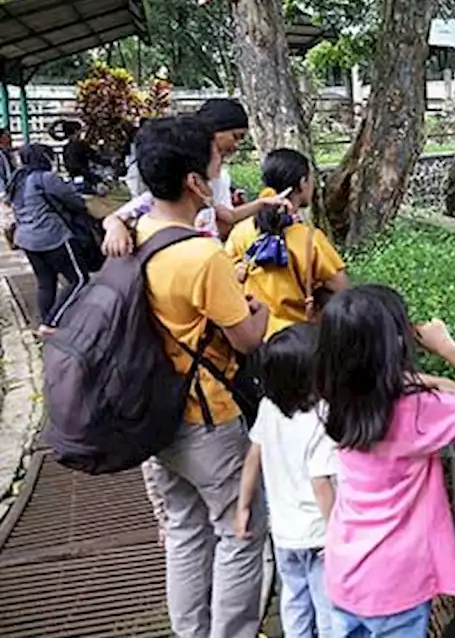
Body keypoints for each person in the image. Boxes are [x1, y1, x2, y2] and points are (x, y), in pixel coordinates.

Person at [133, 115, 270, 638]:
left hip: (158, 416)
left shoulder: (140, 236)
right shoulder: (202, 253)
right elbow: (247, 339)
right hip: (208, 417)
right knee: (240, 531)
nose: (220, 170)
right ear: (195, 181)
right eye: (216, 163)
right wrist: (252, 308)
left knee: (187, 533)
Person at [317, 285, 455, 634]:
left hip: (345, 570)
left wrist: (434, 381)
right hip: (395, 583)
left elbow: (394, 384)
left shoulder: (339, 402)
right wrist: (447, 348)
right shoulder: (417, 411)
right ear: (398, 343)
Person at [235, 323, 339, 638]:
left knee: (294, 601)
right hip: (320, 535)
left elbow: (253, 457)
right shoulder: (323, 415)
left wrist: (242, 507)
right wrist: (338, 534)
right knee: (327, 609)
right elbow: (322, 483)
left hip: (284, 532)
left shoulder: (269, 408)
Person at [100, 99, 285, 256]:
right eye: (235, 136)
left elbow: (227, 215)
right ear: (195, 181)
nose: (236, 146)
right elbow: (117, 216)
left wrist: (263, 203)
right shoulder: (159, 201)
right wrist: (116, 227)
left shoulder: (213, 186)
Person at [225, 148, 349, 337]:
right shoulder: (310, 239)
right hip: (297, 342)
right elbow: (341, 290)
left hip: (254, 338)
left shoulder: (240, 232)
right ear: (302, 183)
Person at [7, 143, 93, 338]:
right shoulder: (45, 178)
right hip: (52, 236)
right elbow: (74, 201)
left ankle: (46, 322)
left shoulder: (18, 179)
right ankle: (51, 322)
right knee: (79, 278)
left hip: (27, 239)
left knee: (46, 282)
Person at [60, 120, 112, 194]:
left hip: (73, 180)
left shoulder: (66, 148)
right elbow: (96, 158)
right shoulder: (80, 145)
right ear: (76, 131)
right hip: (86, 179)